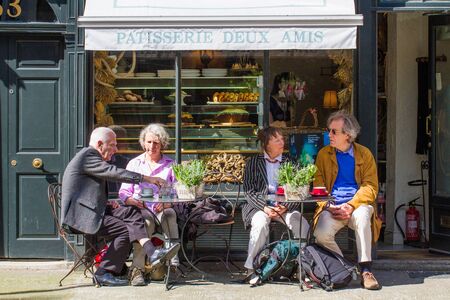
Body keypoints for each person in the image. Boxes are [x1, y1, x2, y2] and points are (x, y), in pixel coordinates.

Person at [61, 127, 180, 286]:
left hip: (93, 210)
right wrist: (147, 178)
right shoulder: (87, 155)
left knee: (130, 211)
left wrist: (107, 202)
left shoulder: (91, 157)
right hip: (82, 217)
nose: (116, 149)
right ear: (99, 144)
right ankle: (103, 272)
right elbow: (112, 172)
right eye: (112, 145)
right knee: (125, 229)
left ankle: (152, 253)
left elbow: (86, 191)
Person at [312, 110, 382, 290]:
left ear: (348, 135)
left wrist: (351, 205)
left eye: (334, 131)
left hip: (356, 205)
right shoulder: (323, 154)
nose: (329, 135)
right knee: (320, 233)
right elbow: (318, 186)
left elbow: (371, 187)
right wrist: (329, 206)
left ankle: (366, 270)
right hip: (332, 206)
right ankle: (346, 267)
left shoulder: (364, 154)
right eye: (329, 130)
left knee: (364, 214)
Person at [242, 127, 309, 284]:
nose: (282, 142)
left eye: (282, 139)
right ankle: (252, 269)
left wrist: (285, 206)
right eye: (277, 139)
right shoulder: (252, 163)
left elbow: (299, 189)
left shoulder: (291, 162)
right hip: (260, 207)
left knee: (302, 224)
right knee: (260, 223)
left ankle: (301, 266)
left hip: (284, 207)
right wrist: (265, 207)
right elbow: (249, 192)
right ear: (266, 143)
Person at [119, 123, 179, 286]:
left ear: (162, 145)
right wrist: (134, 201)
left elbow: (177, 191)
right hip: (141, 208)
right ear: (143, 142)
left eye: (156, 143)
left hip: (161, 208)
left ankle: (172, 265)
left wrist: (167, 203)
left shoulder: (170, 165)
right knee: (144, 222)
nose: (152, 146)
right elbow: (124, 192)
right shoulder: (134, 164)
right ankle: (137, 270)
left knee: (170, 215)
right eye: (149, 142)